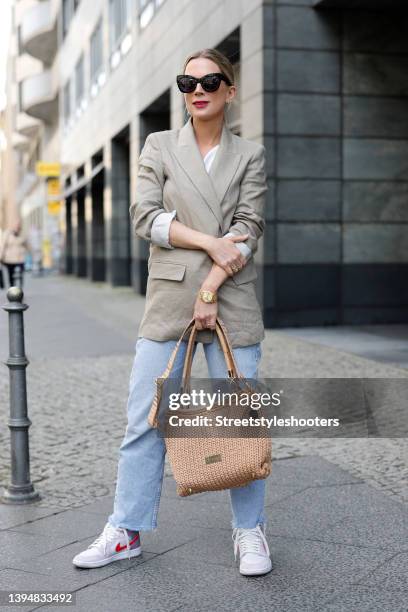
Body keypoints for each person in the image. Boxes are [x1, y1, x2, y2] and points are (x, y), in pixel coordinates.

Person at [73, 48, 272, 576]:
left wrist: (210, 285)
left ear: (230, 90)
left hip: (230, 298)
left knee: (239, 422)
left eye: (211, 80)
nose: (198, 88)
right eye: (187, 81)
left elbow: (249, 227)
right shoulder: (158, 145)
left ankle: (250, 532)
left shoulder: (250, 154)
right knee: (144, 419)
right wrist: (210, 240)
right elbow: (146, 217)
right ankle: (126, 530)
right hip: (167, 301)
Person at [0, 219, 30, 288]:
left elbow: (27, 245)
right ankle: (12, 289)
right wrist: (1, 256)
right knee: (11, 275)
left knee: (21, 274)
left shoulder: (23, 234)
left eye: (18, 225)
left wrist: (32, 254)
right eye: (16, 225)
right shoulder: (7, 234)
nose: (17, 227)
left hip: (20, 258)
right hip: (9, 259)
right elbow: (2, 246)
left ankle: (20, 288)